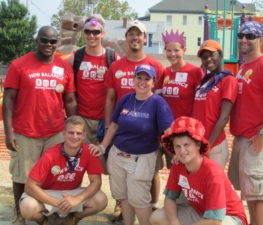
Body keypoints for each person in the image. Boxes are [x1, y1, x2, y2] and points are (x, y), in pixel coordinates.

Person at [2, 26, 77, 225]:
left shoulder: (64, 68)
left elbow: (69, 101)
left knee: (54, 176)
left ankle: (49, 212)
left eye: (53, 42)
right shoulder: (19, 65)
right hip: (26, 131)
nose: (49, 45)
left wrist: (75, 130)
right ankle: (20, 214)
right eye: (45, 40)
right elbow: (8, 100)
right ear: (37, 40)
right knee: (22, 176)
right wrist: (9, 133)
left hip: (55, 132)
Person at [91, 64, 173, 225]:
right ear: (133, 79)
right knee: (123, 197)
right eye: (139, 78)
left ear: (154, 82)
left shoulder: (158, 103)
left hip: (142, 159)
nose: (142, 82)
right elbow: (114, 125)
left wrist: (175, 154)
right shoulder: (126, 99)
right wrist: (103, 146)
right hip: (117, 155)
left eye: (147, 79)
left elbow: (168, 131)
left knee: (140, 201)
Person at [104, 20, 165, 219]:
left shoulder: (156, 66)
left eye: (139, 34)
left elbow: (161, 100)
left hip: (147, 135)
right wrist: (107, 128)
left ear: (145, 38)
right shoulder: (117, 65)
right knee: (122, 177)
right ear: (126, 38)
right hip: (122, 127)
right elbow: (111, 97)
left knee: (150, 174)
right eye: (131, 33)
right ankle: (121, 209)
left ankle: (153, 207)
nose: (135, 37)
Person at [228, 21, 263, 225]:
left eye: (250, 36)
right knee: (250, 195)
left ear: (261, 40)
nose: (244, 39)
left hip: (257, 138)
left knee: (259, 197)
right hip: (244, 137)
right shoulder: (244, 67)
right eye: (241, 35)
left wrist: (262, 134)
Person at [150, 116, 248, 225]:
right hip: (201, 213)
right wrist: (174, 222)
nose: (182, 151)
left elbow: (215, 220)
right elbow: (169, 199)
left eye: (186, 145)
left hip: (227, 217)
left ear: (198, 145)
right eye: (177, 146)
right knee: (157, 217)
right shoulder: (178, 164)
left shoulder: (212, 172)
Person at [19, 115, 108, 225]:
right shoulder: (50, 155)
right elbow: (30, 186)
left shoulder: (89, 152)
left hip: (72, 193)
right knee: (27, 206)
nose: (75, 136)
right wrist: (56, 203)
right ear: (63, 134)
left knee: (101, 199)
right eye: (71, 132)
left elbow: (96, 182)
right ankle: (46, 221)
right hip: (50, 193)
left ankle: (72, 219)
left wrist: (78, 199)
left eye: (78, 133)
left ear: (84, 135)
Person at [68, 14, 119, 145]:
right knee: (82, 161)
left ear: (102, 33)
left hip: (105, 120)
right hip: (81, 120)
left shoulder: (113, 58)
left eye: (96, 32)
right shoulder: (75, 58)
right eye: (87, 31)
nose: (91, 35)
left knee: (102, 162)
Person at [157, 29, 204, 169]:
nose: (172, 54)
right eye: (169, 50)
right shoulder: (165, 72)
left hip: (186, 133)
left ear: (184, 50)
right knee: (174, 169)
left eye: (176, 50)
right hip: (167, 131)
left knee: (187, 169)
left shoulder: (195, 72)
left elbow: (201, 102)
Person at [192, 40, 238, 168]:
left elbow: (224, 117)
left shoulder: (228, 80)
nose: (208, 60)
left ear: (220, 54)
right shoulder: (204, 82)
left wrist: (208, 145)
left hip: (214, 146)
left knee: (212, 185)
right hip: (198, 143)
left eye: (212, 55)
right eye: (204, 57)